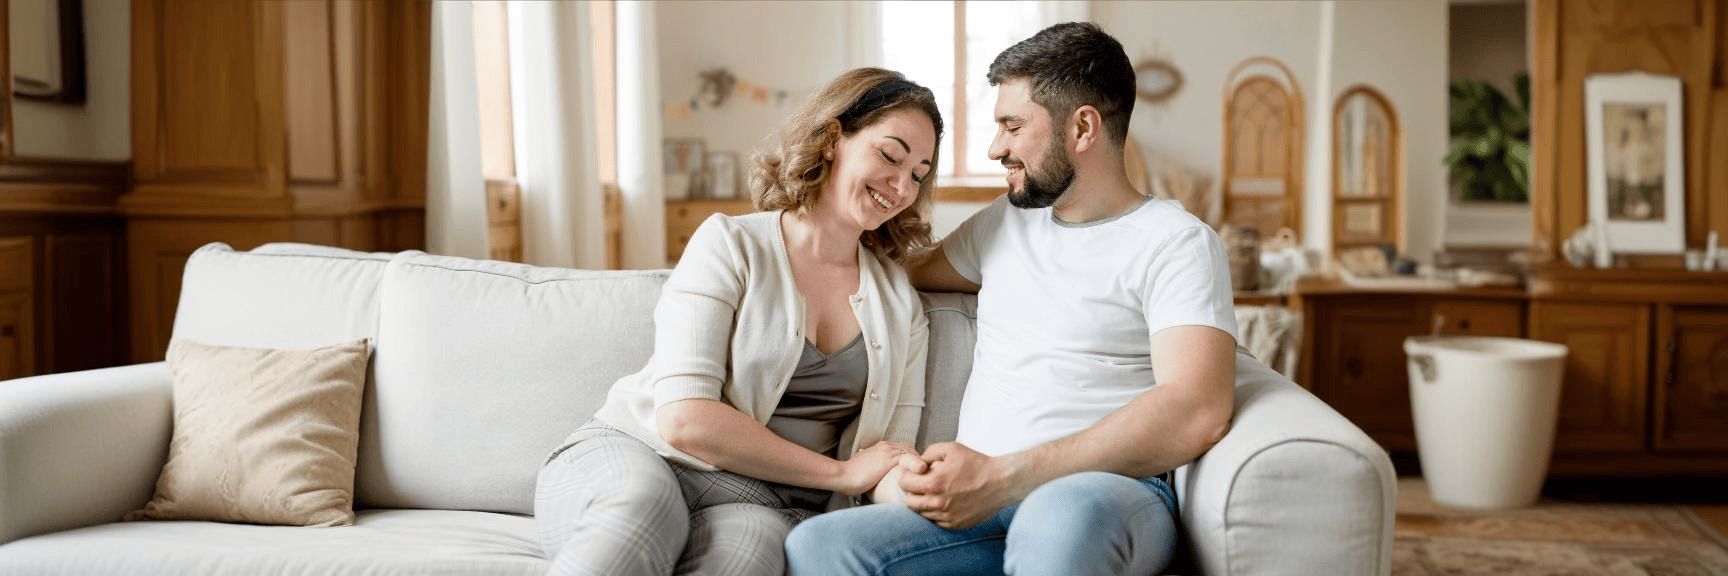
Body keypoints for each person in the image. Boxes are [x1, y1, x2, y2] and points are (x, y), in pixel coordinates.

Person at [785, 22, 1240, 576]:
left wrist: (1002, 476)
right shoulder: (1005, 224)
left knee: (1058, 516)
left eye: (1012, 126)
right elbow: (893, 273)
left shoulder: (1177, 242)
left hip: (1104, 496)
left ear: (1083, 127)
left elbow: (1198, 409)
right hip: (983, 504)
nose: (995, 147)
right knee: (819, 547)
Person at [535, 67, 943, 576]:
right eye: (890, 155)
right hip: (643, 454)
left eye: (920, 174)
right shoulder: (730, 243)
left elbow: (884, 457)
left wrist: (923, 487)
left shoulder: (900, 303)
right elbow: (684, 419)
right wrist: (839, 474)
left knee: (748, 558)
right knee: (642, 509)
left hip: (758, 502)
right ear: (835, 138)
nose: (903, 185)